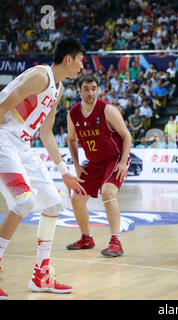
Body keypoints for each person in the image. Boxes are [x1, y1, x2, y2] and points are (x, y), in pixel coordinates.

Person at [0, 37, 87, 299]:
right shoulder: (40, 76)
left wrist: (64, 171)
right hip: (4, 139)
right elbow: (2, 106)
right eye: (81, 61)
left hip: (24, 146)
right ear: (69, 59)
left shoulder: (57, 88)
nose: (82, 67)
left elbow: (47, 134)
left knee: (52, 204)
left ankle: (41, 275)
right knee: (24, 202)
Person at [66, 75, 132, 257]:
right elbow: (71, 140)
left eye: (94, 88)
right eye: (86, 89)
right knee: (77, 198)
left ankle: (116, 242)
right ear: (79, 90)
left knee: (108, 192)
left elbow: (127, 135)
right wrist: (77, 165)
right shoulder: (73, 113)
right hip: (94, 162)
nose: (90, 92)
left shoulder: (107, 110)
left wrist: (122, 162)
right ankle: (86, 238)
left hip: (115, 157)